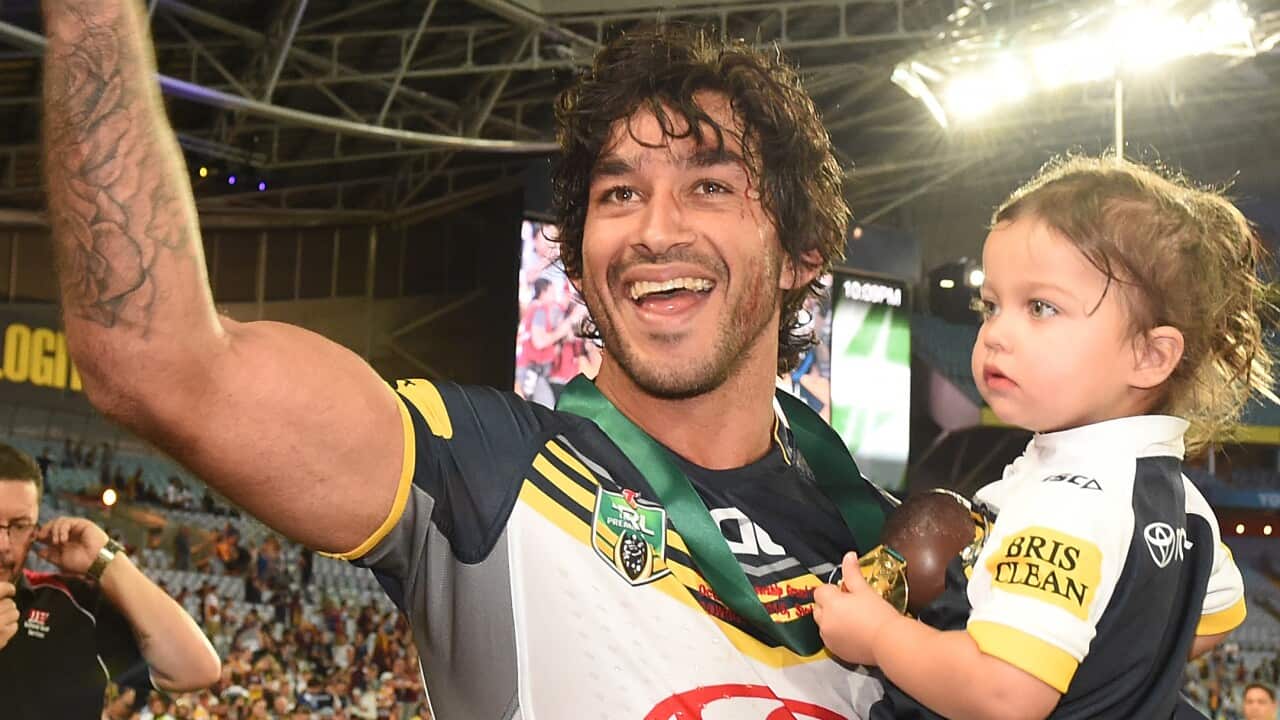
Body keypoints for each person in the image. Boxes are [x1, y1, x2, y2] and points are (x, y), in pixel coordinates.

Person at [41, 1, 893, 715]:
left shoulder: (885, 544)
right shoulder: (484, 464)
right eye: (619, 193)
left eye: (710, 186)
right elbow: (156, 360)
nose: (655, 229)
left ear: (802, 253)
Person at [815, 156, 1263, 718]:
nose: (996, 333)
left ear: (1150, 355)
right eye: (991, 305)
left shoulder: (1070, 501)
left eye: (1041, 308)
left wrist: (879, 634)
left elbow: (1002, 695)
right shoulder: (1184, 504)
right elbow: (1217, 615)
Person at [0, 442, 220, 717]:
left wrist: (109, 561)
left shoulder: (72, 606)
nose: (4, 544)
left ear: (35, 529)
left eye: (20, 525)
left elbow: (197, 668)